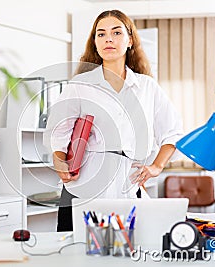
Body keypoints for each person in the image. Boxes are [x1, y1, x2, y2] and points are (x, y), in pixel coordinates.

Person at [44, 10, 183, 232]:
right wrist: (60, 162)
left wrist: (157, 166)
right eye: (101, 34)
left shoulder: (147, 87)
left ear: (130, 40)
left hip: (128, 186)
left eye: (116, 32)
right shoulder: (80, 85)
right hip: (82, 188)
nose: (108, 38)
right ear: (95, 43)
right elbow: (57, 132)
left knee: (128, 251)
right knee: (75, 254)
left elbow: (173, 132)